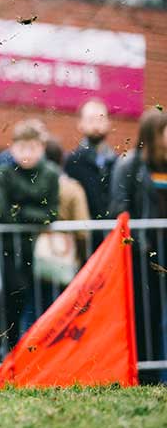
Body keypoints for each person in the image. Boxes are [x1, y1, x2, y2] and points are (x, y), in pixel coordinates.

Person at [0, 119, 60, 354]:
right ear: (13, 147)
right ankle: (7, 356)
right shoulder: (1, 172)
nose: (27, 153)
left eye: (33, 147)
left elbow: (52, 213)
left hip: (41, 252)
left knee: (43, 304)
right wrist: (30, 214)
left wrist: (20, 210)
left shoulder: (50, 174)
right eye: (22, 147)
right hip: (9, 250)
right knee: (9, 305)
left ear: (42, 148)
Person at [109, 108, 167, 384]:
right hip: (144, 257)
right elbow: (118, 209)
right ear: (153, 133)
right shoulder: (129, 166)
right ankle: (149, 376)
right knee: (147, 317)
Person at [64, 99, 117, 220]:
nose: (96, 126)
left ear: (108, 123)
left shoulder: (117, 162)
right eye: (91, 120)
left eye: (100, 119)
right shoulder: (72, 162)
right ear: (80, 124)